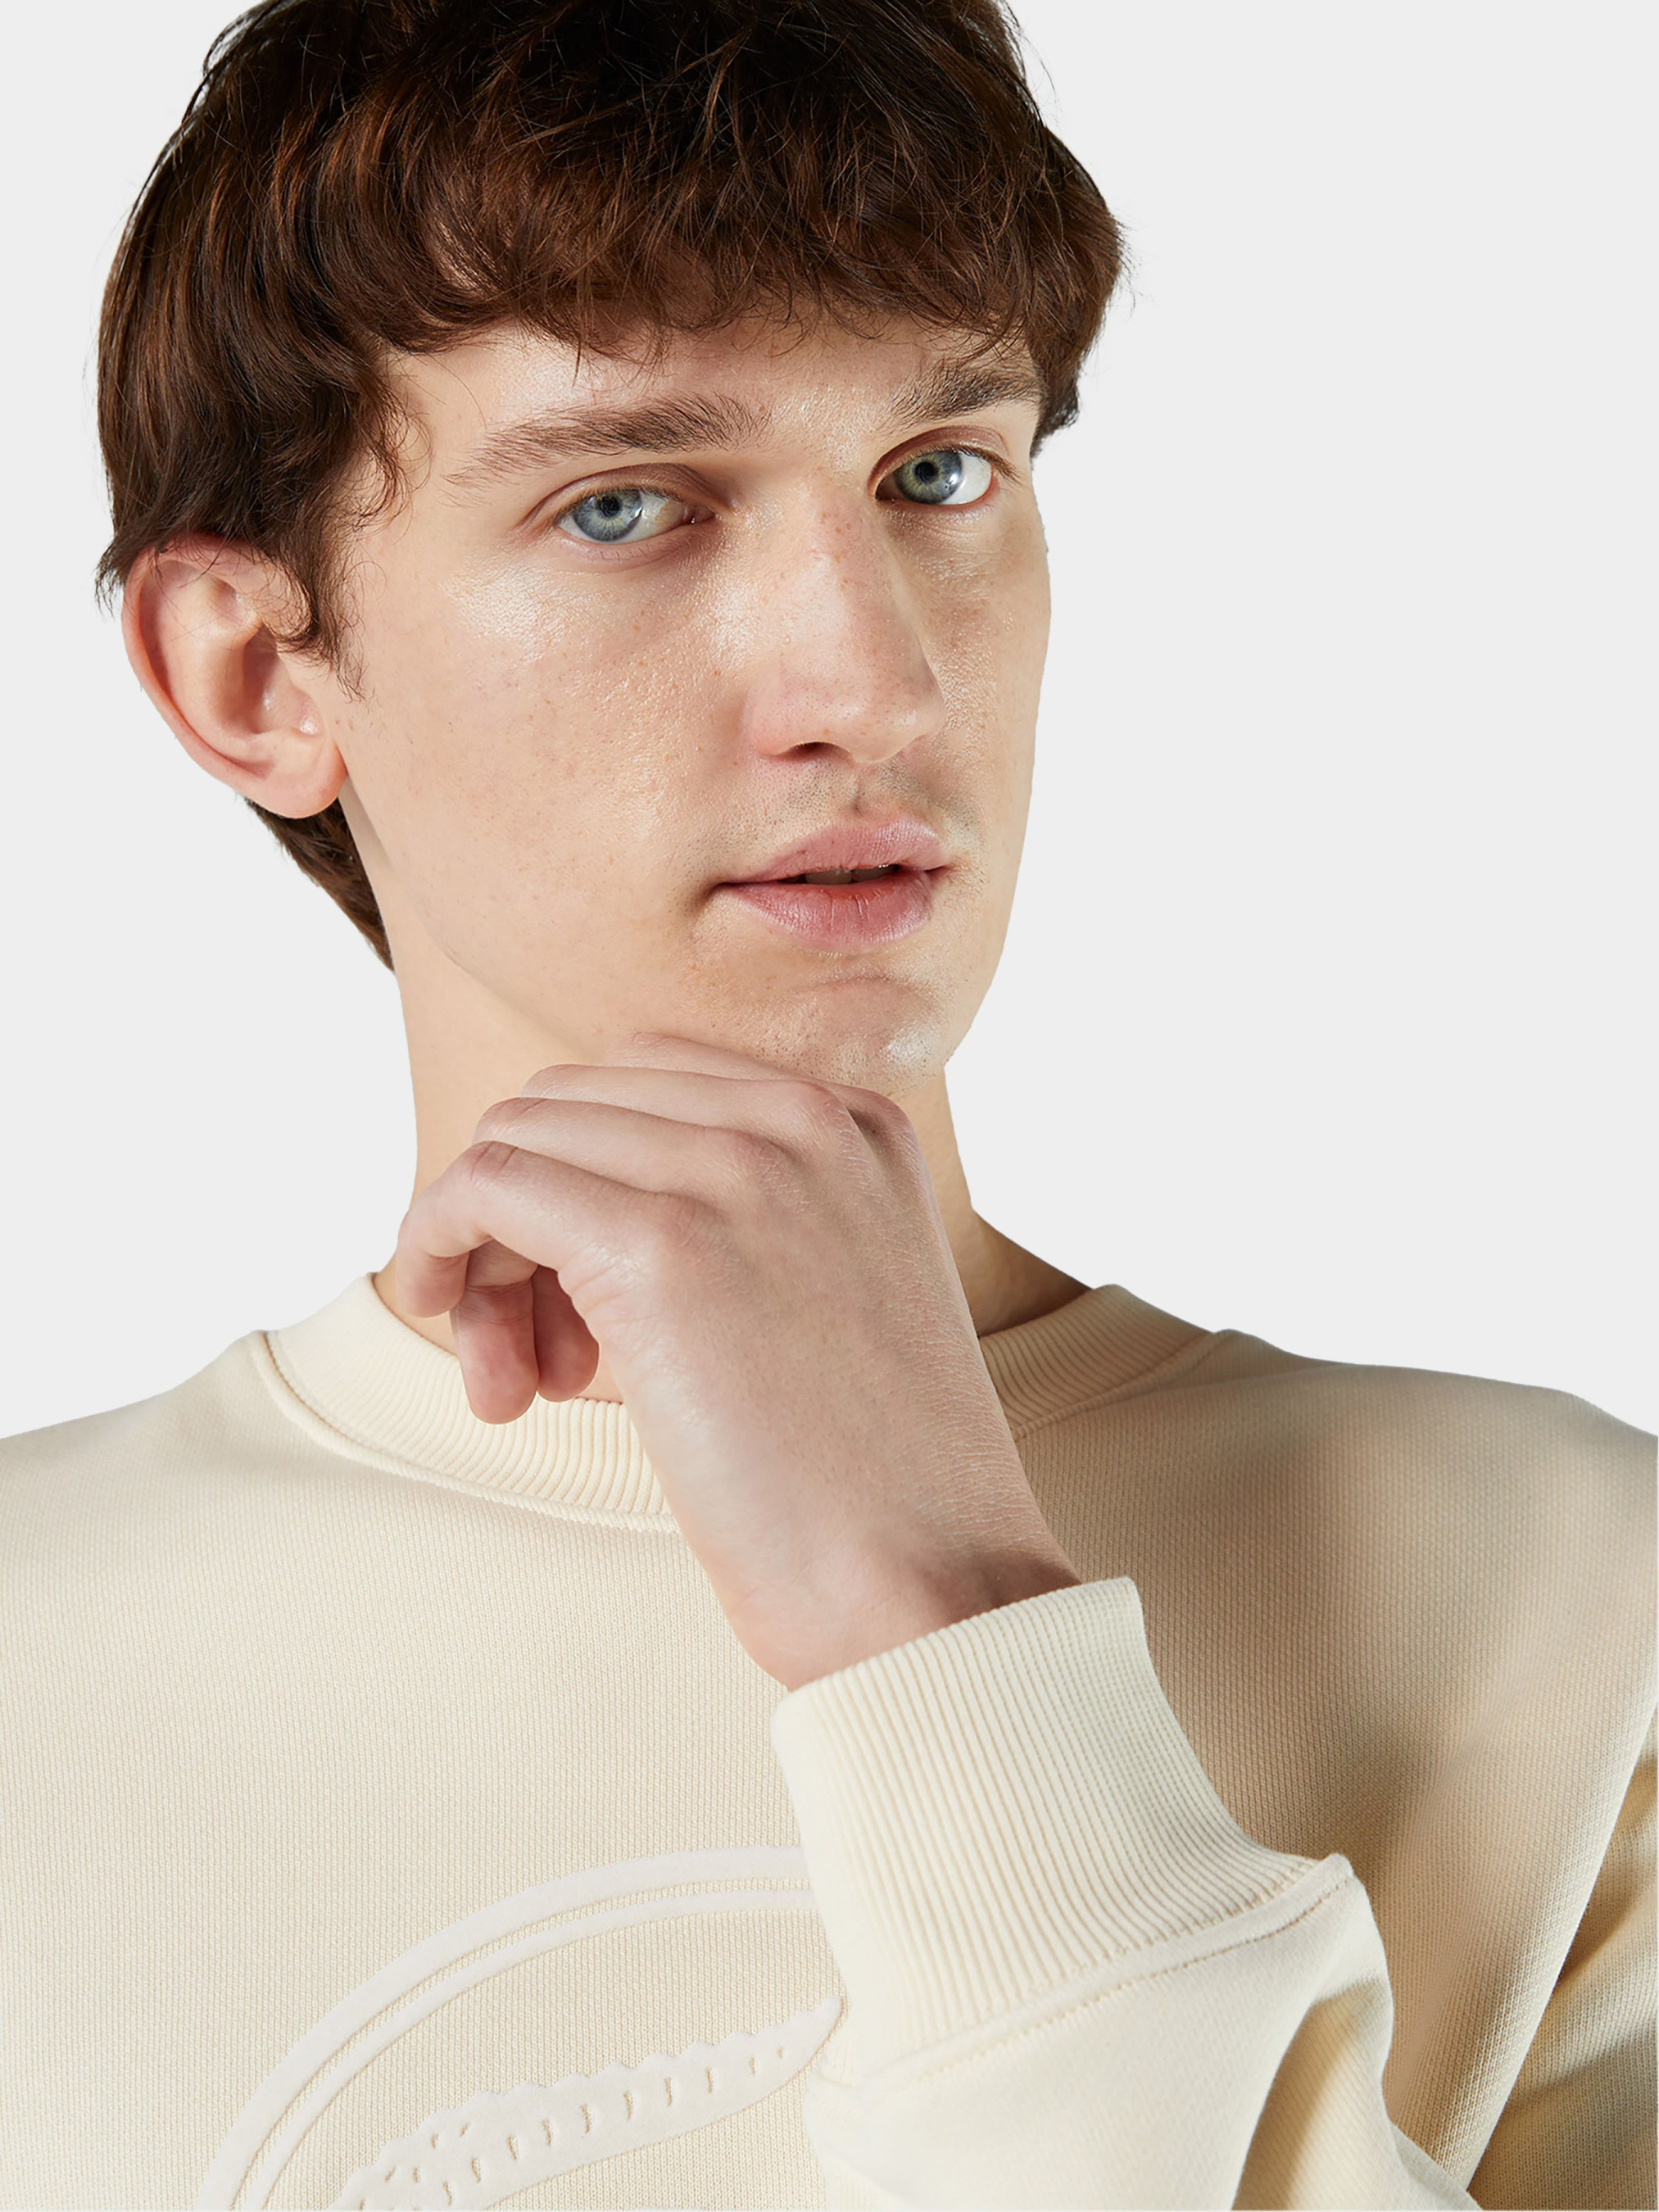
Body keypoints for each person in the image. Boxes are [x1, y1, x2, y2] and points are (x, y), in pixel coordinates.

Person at [1, 0, 1652, 2205]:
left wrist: (943, 1622)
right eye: (623, 506)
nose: (873, 682)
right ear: (255, 671)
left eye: (939, 473)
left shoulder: (1582, 1601)